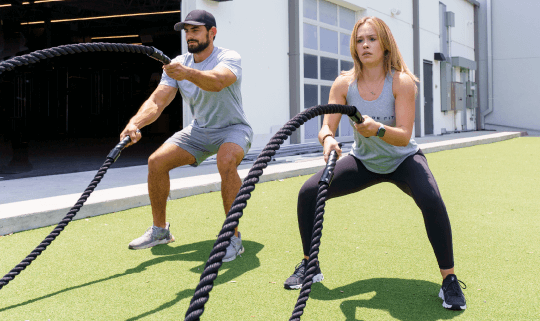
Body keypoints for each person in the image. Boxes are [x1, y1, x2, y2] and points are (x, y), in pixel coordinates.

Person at [283, 16, 466, 311]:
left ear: (385, 44)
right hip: (364, 161)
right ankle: (309, 264)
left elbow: (405, 137)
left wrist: (377, 129)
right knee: (308, 192)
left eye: (371, 39)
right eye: (359, 40)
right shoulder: (345, 83)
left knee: (432, 201)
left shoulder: (401, 82)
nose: (365, 45)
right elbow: (325, 127)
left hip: (403, 159)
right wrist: (328, 140)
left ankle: (450, 280)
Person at [120, 10, 252, 263]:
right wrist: (134, 123)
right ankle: (160, 231)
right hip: (199, 131)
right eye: (187, 31)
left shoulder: (228, 57)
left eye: (195, 30)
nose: (190, 36)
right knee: (156, 162)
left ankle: (232, 237)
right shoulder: (179, 64)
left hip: (233, 128)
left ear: (211, 32)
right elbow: (158, 102)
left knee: (226, 161)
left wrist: (187, 73)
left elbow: (218, 82)